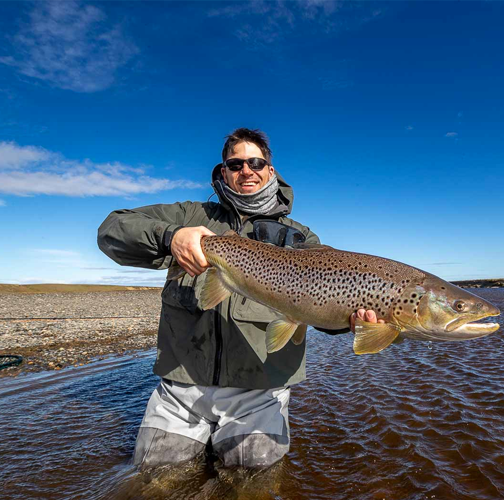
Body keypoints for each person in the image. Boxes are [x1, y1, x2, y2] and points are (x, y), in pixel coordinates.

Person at [97, 128, 380, 469]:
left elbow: (319, 309)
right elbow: (112, 229)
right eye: (236, 164)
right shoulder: (190, 217)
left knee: (251, 483)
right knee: (154, 479)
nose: (247, 170)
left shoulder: (301, 237)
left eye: (256, 162)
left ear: (270, 170)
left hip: (260, 392)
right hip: (180, 387)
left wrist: (351, 320)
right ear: (223, 172)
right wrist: (171, 236)